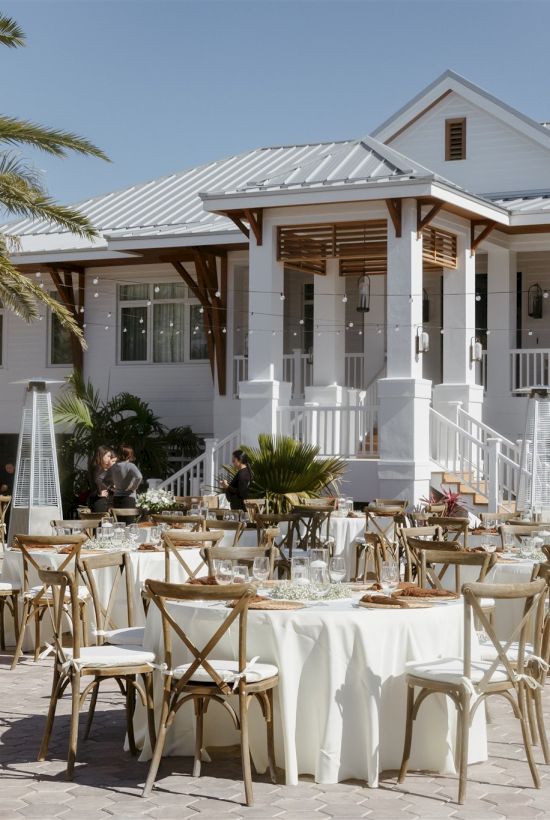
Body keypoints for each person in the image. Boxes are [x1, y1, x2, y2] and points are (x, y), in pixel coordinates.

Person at [104, 444, 142, 509]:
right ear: (130, 455)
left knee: (119, 518)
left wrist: (111, 488)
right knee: (128, 518)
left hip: (116, 497)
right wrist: (133, 488)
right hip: (129, 497)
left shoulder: (113, 466)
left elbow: (105, 480)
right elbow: (139, 477)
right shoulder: (130, 466)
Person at [88, 446, 115, 513]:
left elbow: (102, 481)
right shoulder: (98, 467)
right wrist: (99, 492)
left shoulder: (100, 468)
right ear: (102, 455)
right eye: (108, 456)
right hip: (100, 501)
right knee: (103, 522)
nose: (109, 459)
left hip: (104, 500)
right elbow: (96, 480)